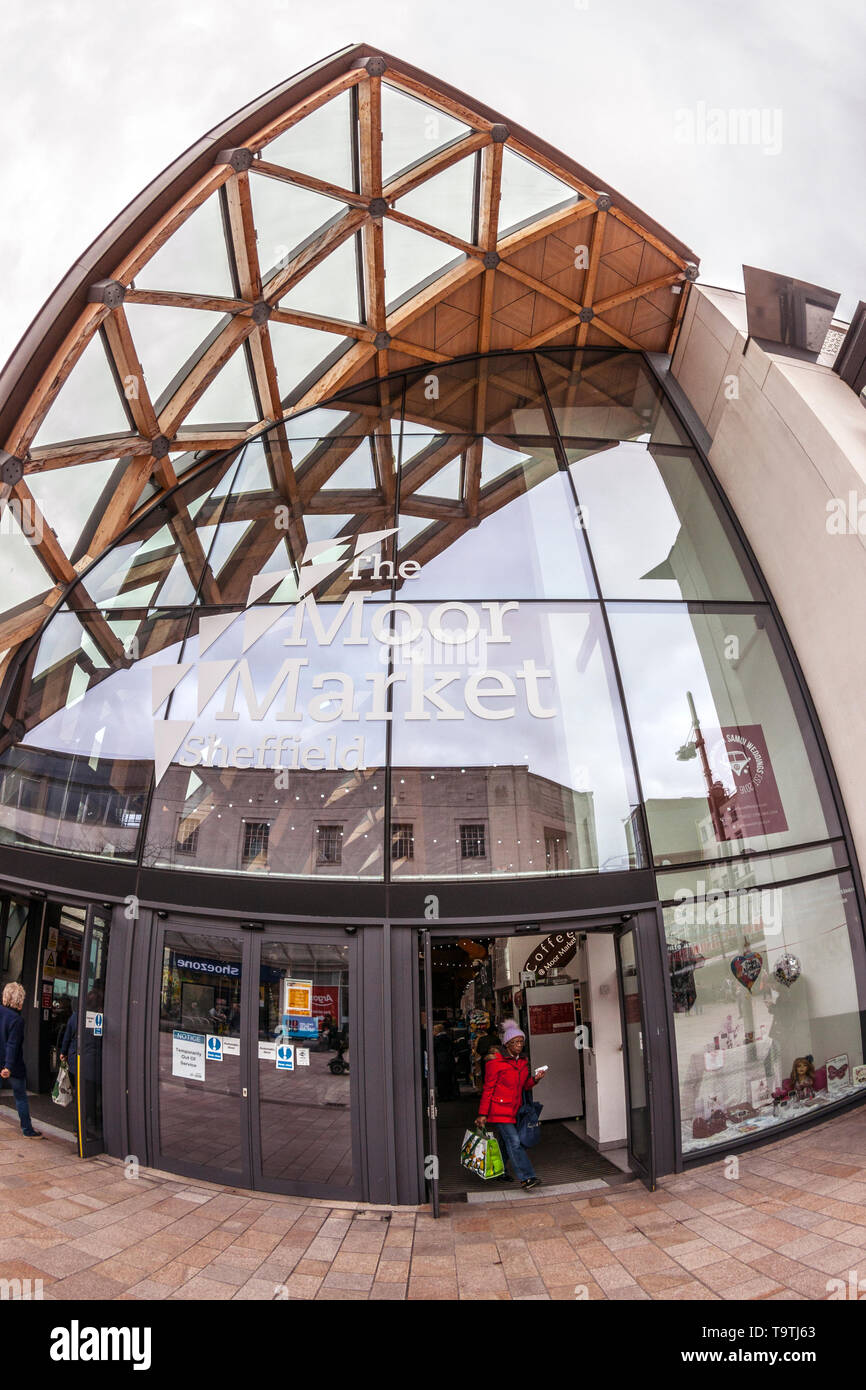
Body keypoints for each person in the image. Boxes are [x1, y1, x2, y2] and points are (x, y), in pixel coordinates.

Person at [476, 1020, 544, 1189]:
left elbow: (524, 1086)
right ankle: (527, 1177)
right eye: (515, 1042)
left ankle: (498, 1170)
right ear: (507, 1044)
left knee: (507, 1143)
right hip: (500, 1109)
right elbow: (488, 1089)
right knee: (514, 1141)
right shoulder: (495, 1062)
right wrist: (482, 1114)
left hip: (516, 1110)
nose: (519, 1045)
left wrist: (535, 1079)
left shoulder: (522, 1062)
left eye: (521, 1041)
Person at [0, 982, 42, 1138]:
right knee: (20, 1097)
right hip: (12, 1066)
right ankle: (27, 1130)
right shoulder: (17, 1020)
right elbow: (12, 1044)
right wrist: (8, 1066)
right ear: (19, 999)